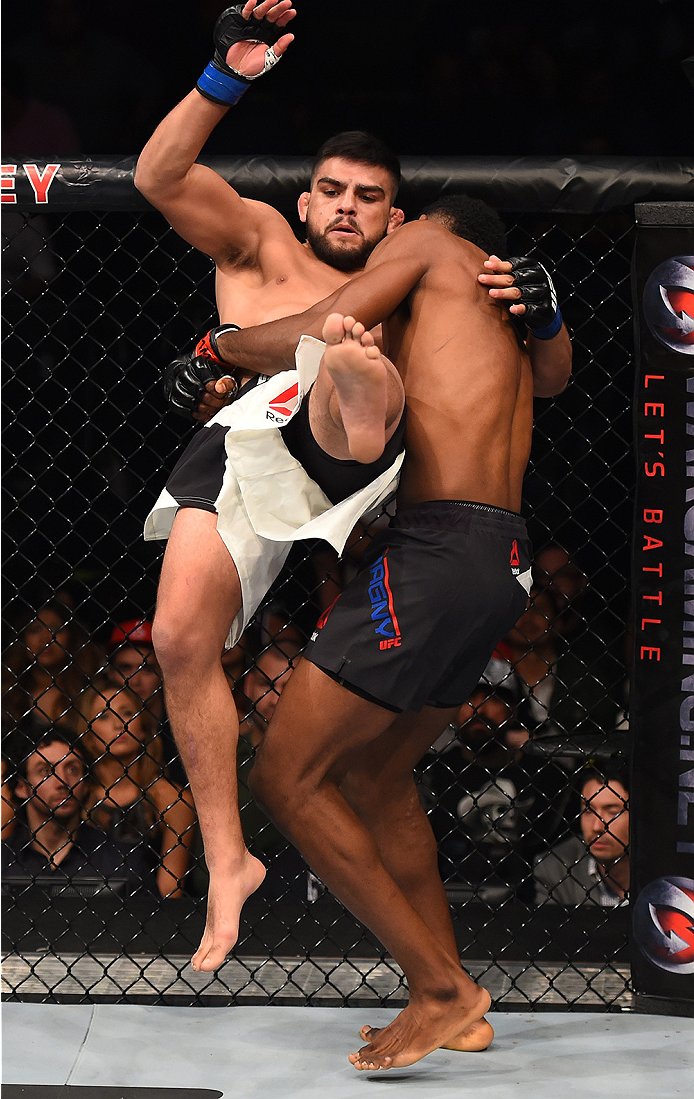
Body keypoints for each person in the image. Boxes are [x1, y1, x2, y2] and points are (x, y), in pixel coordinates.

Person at [205, 190, 571, 1069]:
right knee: (377, 770)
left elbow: (323, 321)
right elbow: (556, 378)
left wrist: (215, 343)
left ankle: (443, 989)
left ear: (419, 225)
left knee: (286, 777)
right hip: (503, 560)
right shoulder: (503, 321)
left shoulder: (432, 252)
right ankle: (449, 993)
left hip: (439, 551)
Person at [77, 678, 196, 898]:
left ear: (142, 729)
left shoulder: (173, 799)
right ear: (89, 737)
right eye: (104, 716)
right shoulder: (76, 796)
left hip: (152, 914)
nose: (118, 724)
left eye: (127, 713)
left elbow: (170, 890)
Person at [1, 726, 150, 895]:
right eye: (45, 772)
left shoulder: (123, 861)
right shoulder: (3, 861)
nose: (62, 781)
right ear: (21, 786)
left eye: (72, 769)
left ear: (86, 783)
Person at [534, 763, 629, 906]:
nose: (597, 826)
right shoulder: (557, 869)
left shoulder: (667, 869)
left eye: (612, 813)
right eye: (589, 811)